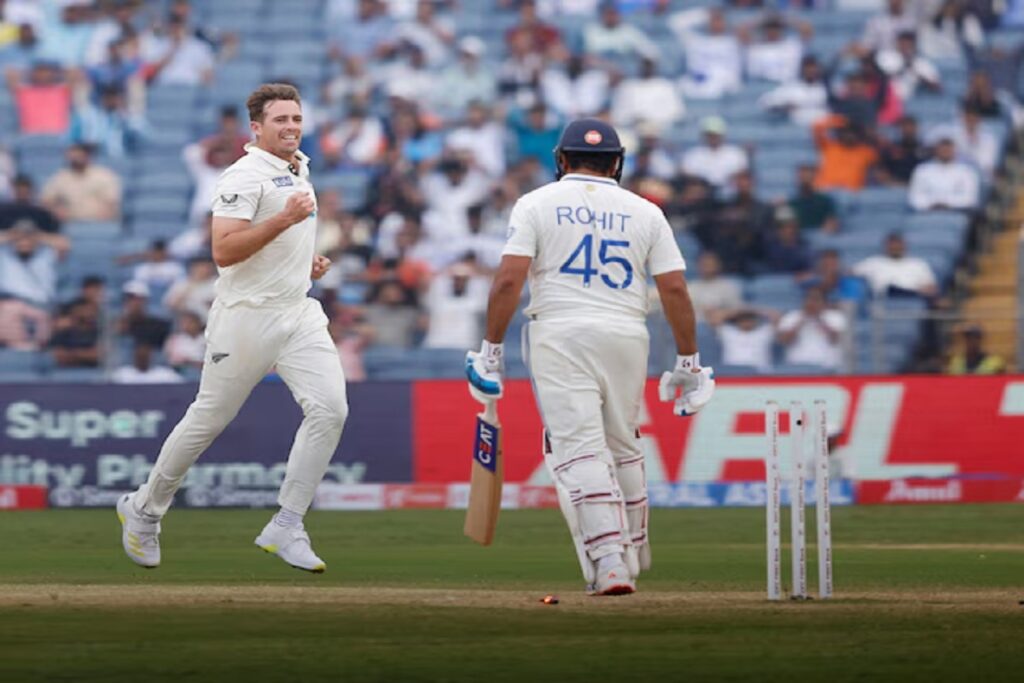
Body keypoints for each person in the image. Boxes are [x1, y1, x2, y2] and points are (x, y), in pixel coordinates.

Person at [466, 118, 715, 596]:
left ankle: (610, 563)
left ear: (560, 161)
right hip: (627, 332)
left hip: (560, 332)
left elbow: (507, 280)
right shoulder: (645, 210)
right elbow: (675, 289)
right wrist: (688, 362)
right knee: (622, 442)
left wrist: (490, 351)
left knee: (578, 446)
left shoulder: (536, 202)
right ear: (618, 164)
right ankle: (635, 548)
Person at [116, 84, 348, 575]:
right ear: (256, 128)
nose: (290, 127)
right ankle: (144, 510)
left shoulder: (298, 167)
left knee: (331, 410)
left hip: (298, 311)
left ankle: (287, 523)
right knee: (209, 420)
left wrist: (304, 262)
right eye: (280, 120)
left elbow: (270, 244)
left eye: (296, 118)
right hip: (246, 317)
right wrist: (286, 221)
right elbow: (224, 250)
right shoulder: (241, 176)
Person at [776, 286, 847, 371]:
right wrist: (802, 319)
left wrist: (819, 319)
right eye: (809, 299)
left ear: (824, 303)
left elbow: (835, 339)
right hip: (797, 367)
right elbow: (785, 341)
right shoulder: (791, 316)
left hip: (827, 367)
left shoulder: (835, 317)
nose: (811, 302)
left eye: (816, 299)